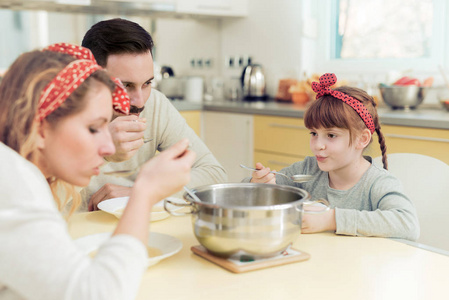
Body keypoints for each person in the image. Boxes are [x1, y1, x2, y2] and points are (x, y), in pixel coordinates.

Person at [0, 43, 195, 299]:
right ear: (40, 129)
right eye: (94, 128)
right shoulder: (13, 183)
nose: (107, 147)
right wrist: (143, 192)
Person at [245, 73, 419, 241]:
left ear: (362, 139)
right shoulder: (307, 170)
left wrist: (330, 219)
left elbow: (408, 224)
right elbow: (248, 195)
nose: (317, 145)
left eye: (331, 135)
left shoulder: (378, 183)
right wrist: (258, 186)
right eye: (314, 133)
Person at [80, 18, 227, 210]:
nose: (140, 102)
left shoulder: (155, 104)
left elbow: (214, 174)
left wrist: (142, 192)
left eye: (147, 83)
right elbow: (46, 198)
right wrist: (101, 150)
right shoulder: (60, 116)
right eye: (125, 85)